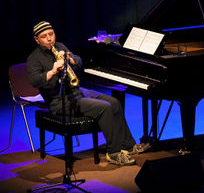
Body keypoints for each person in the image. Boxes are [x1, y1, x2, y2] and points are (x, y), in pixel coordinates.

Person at [26, 21, 150, 166]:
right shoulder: (33, 59)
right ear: (37, 39)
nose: (49, 39)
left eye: (51, 34)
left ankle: (128, 146)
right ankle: (114, 153)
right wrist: (53, 71)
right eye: (44, 36)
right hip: (58, 101)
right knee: (105, 107)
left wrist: (70, 59)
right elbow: (35, 81)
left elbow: (79, 61)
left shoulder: (59, 46)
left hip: (76, 91)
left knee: (114, 103)